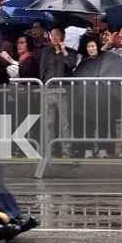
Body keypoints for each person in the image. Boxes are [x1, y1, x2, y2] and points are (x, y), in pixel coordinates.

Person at [37, 26, 78, 157]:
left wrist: (64, 51)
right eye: (52, 35)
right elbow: (42, 70)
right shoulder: (45, 52)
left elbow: (71, 65)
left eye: (57, 35)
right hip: (48, 89)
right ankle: (49, 150)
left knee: (64, 122)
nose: (54, 37)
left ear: (62, 37)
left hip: (62, 91)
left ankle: (66, 151)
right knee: (48, 122)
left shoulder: (70, 52)